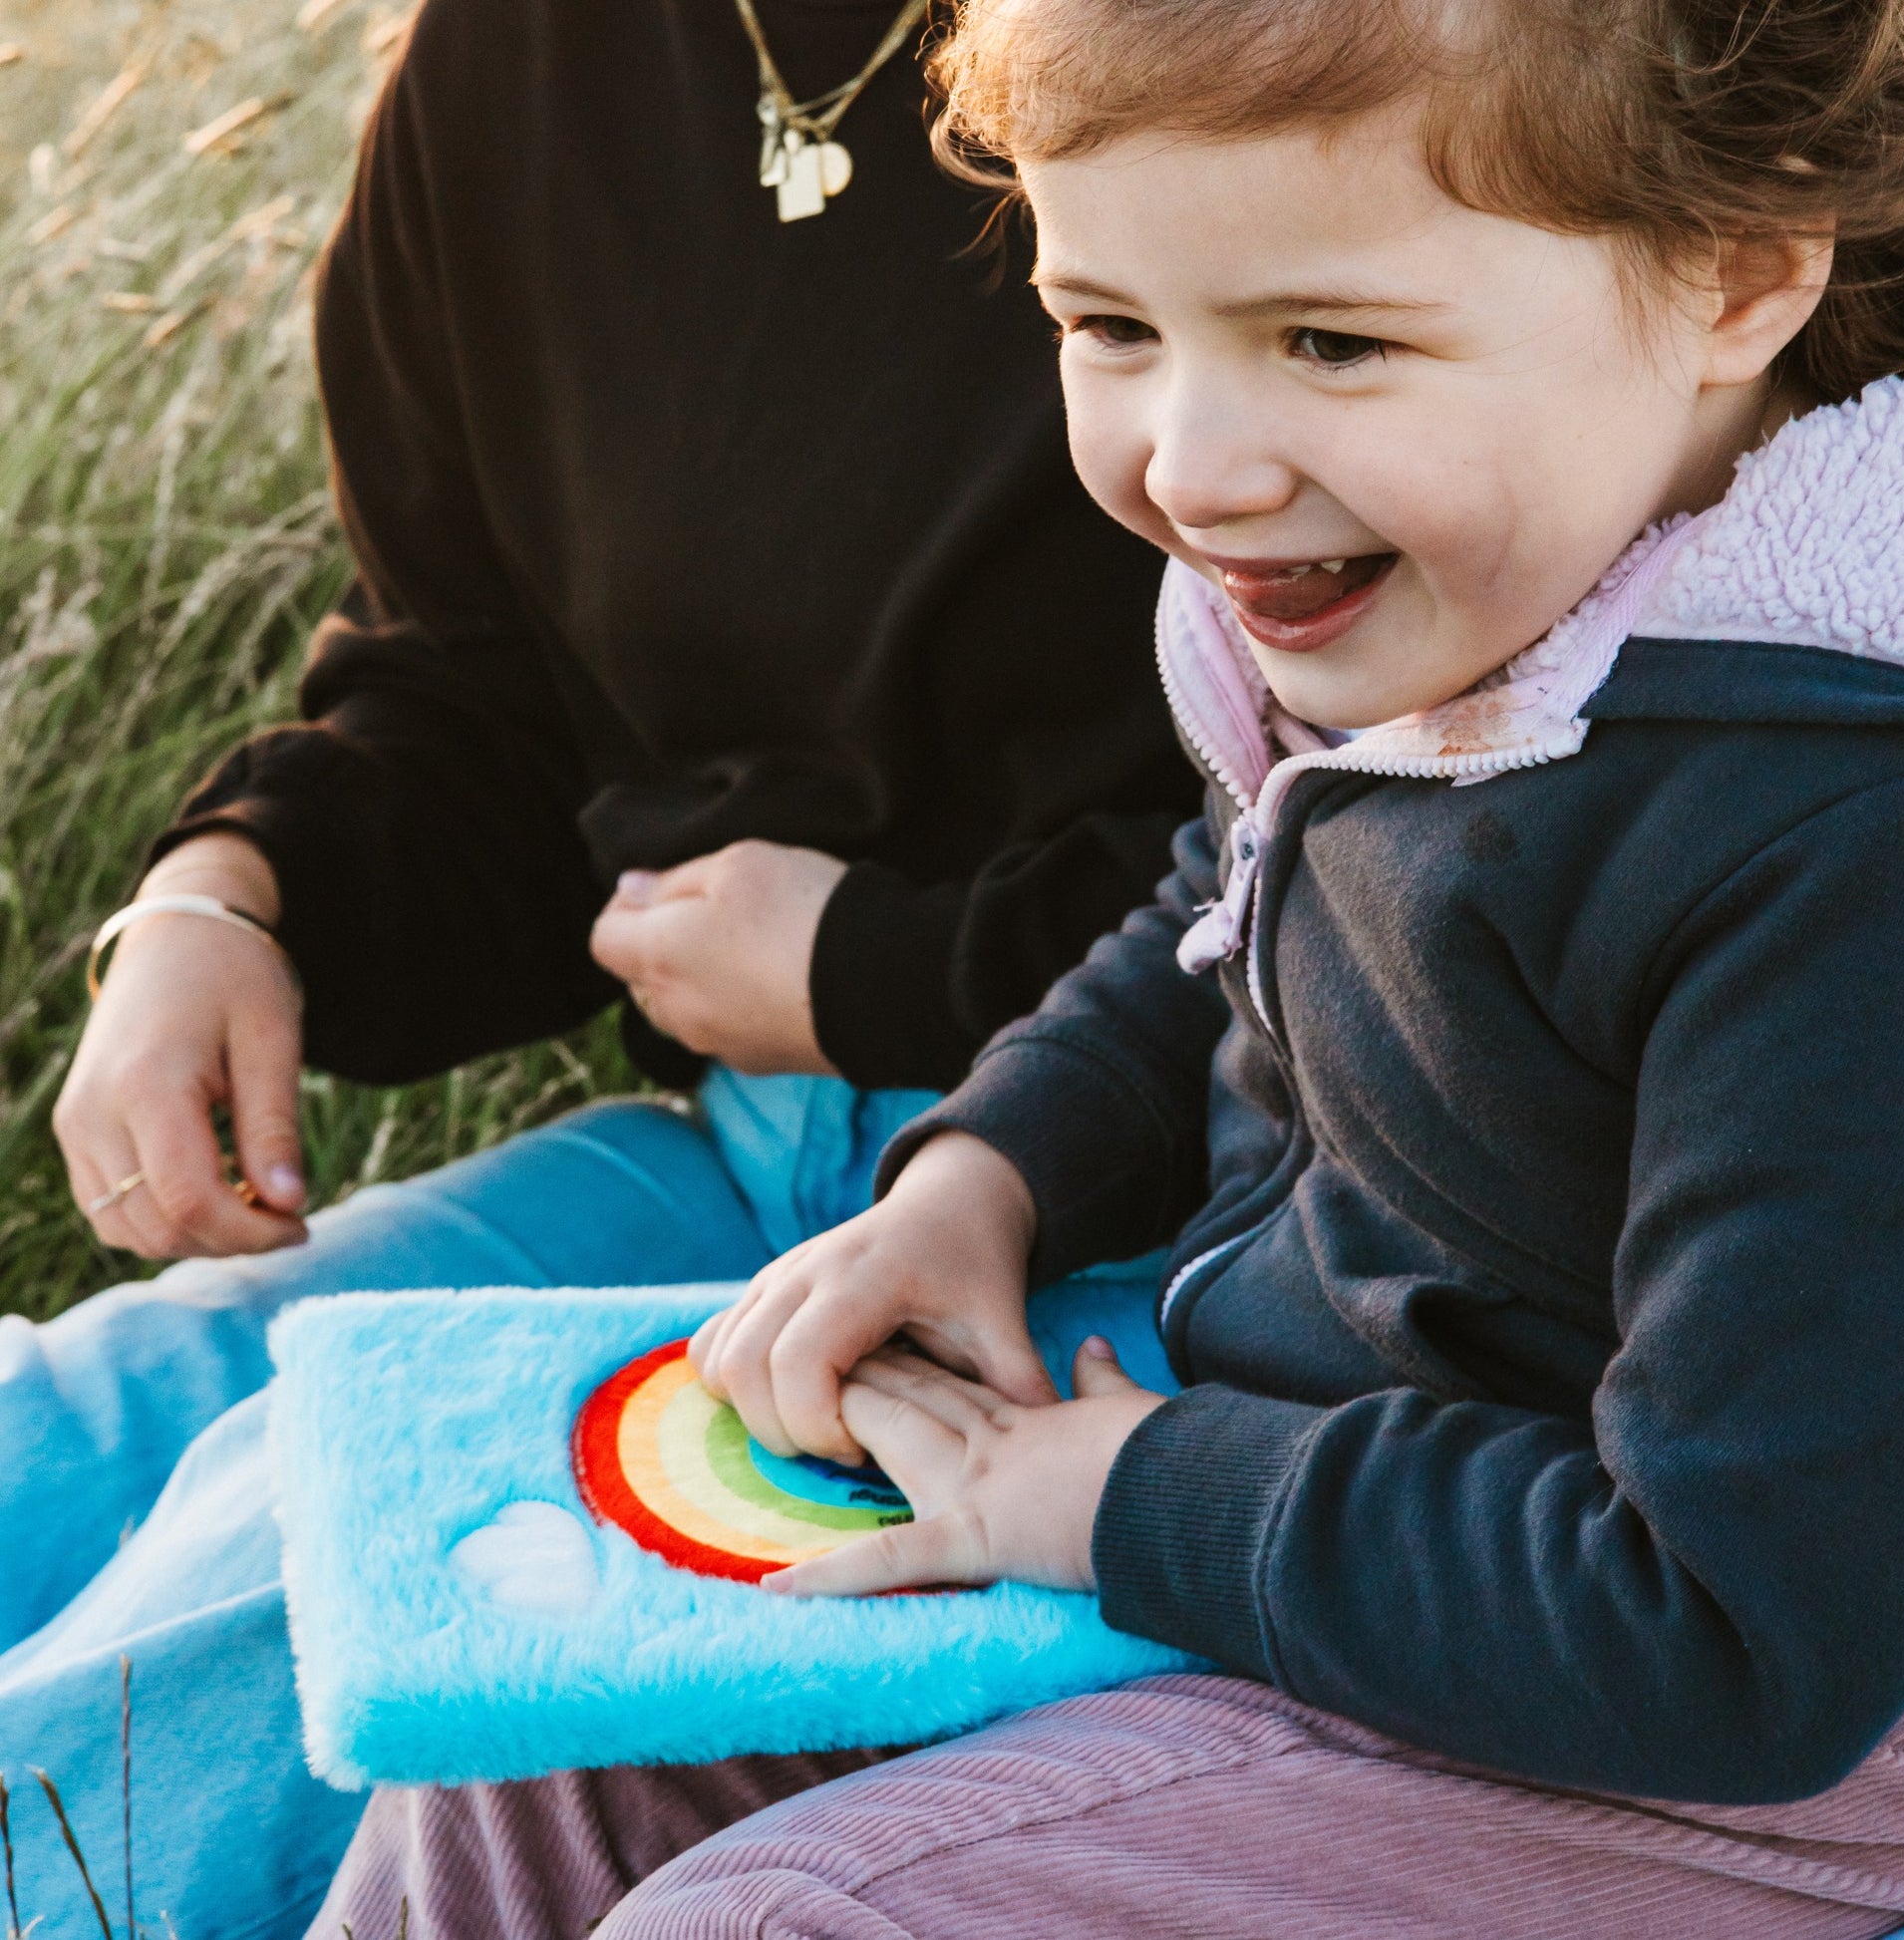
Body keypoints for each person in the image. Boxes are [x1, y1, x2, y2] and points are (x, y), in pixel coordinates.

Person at [313, 0, 1904, 1933]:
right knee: (550, 1750)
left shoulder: (1846, 852)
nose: (1195, 467)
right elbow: (1229, 903)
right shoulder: (1468, 612)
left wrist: (1132, 1495)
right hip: (1348, 1493)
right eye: (1111, 328)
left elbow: (1741, 1634)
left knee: (776, 1922)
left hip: (1757, 1712)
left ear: (1736, 278)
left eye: (1328, 342)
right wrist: (986, 1173)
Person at [0, 0, 1203, 1930]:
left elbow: (1426, 817)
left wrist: (892, 969)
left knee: (259, 1589)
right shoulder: (513, 58)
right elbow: (480, 682)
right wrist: (236, 894)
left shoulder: (1278, 49)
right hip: (744, 1154)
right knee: (59, 1436)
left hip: (1172, 1219)